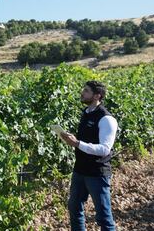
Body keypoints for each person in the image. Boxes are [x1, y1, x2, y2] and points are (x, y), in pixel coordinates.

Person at [60, 80, 118, 231]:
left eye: (86, 91)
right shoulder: (86, 113)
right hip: (80, 170)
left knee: (104, 217)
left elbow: (105, 149)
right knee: (74, 207)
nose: (82, 93)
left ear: (97, 96)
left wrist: (78, 143)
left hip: (97, 173)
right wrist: (72, 141)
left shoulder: (107, 119)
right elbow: (85, 140)